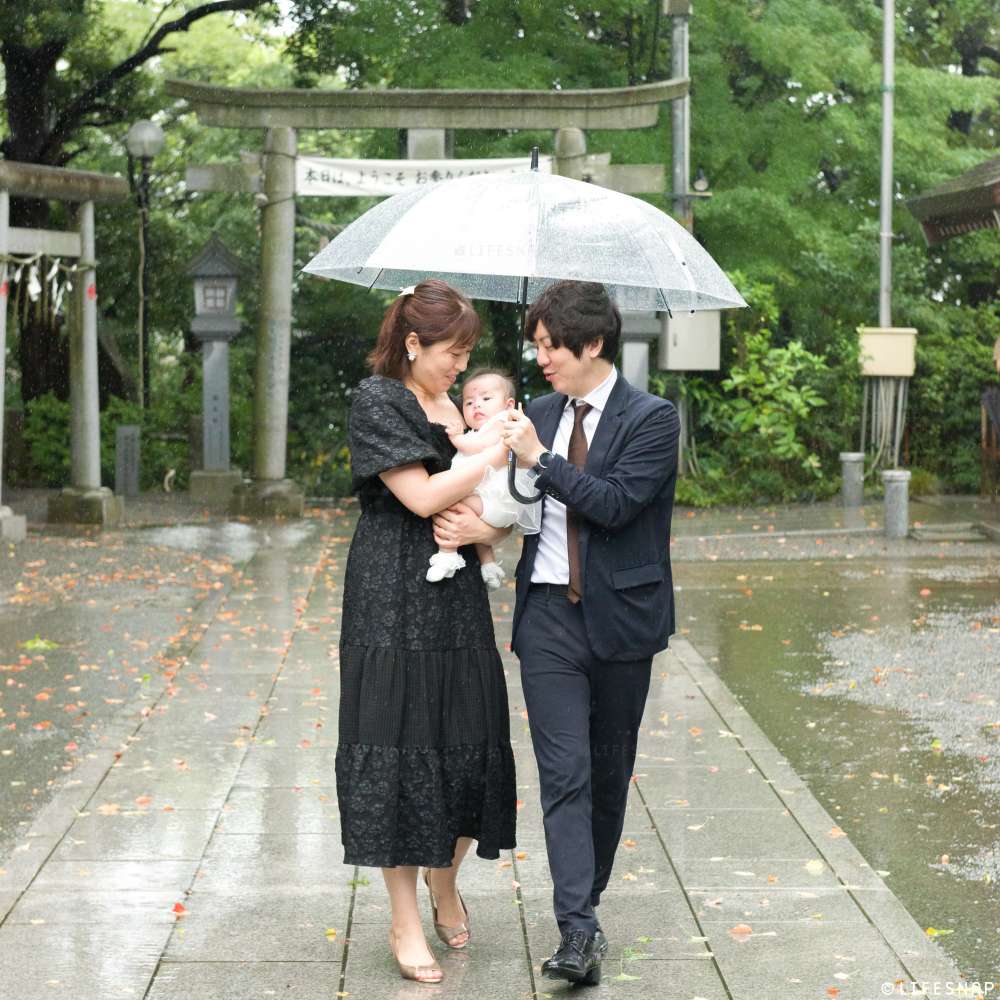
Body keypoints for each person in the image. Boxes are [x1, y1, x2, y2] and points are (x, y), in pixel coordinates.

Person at [499, 279, 681, 987]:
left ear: (593, 343)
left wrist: (540, 459)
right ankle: (576, 929)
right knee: (564, 773)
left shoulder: (651, 419)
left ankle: (589, 899)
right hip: (547, 617)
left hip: (622, 622)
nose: (541, 358)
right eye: (537, 345)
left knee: (607, 775)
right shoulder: (535, 412)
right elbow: (509, 503)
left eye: (551, 346)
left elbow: (614, 504)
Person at [338, 279, 517, 984]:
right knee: (398, 741)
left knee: (470, 736)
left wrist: (489, 528)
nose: (460, 367)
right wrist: (488, 459)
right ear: (413, 343)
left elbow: (497, 513)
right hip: (391, 591)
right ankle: (404, 918)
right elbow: (417, 497)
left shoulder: (465, 411)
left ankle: (446, 879)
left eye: (468, 354)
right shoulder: (378, 400)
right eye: (452, 353)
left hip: (457, 590)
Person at [427, 368, 541, 588]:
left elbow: (479, 446)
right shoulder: (480, 429)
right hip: (489, 501)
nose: (476, 405)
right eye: (469, 402)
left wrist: (457, 438)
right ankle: (488, 564)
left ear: (508, 405)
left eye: (486, 399)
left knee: (451, 503)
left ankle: (447, 554)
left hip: (496, 498)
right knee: (470, 516)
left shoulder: (502, 422)